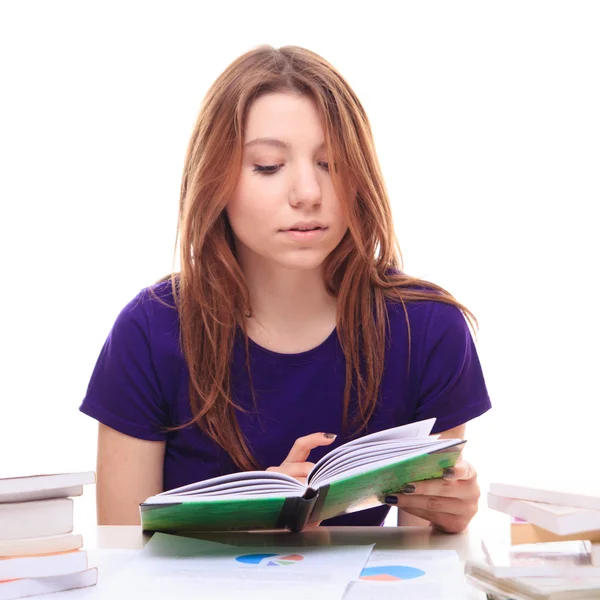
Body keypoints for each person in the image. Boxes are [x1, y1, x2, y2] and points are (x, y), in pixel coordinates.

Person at [80, 44, 491, 533]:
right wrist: (253, 527)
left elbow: (417, 564)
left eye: (331, 164)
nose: (308, 194)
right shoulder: (149, 331)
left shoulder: (427, 328)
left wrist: (448, 518)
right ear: (215, 178)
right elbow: (123, 560)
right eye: (269, 166)